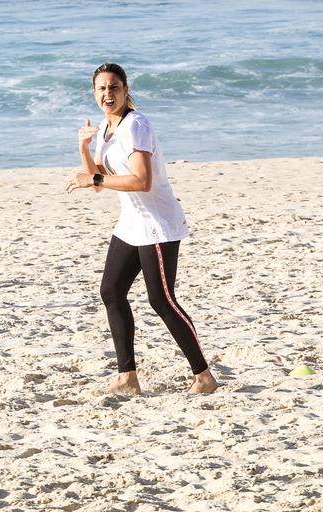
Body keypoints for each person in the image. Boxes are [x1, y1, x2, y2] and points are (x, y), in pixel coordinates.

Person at [65, 63, 219, 395]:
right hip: (131, 222)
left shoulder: (137, 125)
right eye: (102, 88)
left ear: (125, 90)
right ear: (94, 93)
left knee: (162, 300)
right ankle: (127, 377)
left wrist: (93, 178)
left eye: (114, 87)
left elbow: (141, 181)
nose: (108, 93)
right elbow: (98, 184)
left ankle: (204, 377)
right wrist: (84, 150)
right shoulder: (108, 129)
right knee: (111, 291)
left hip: (157, 224)